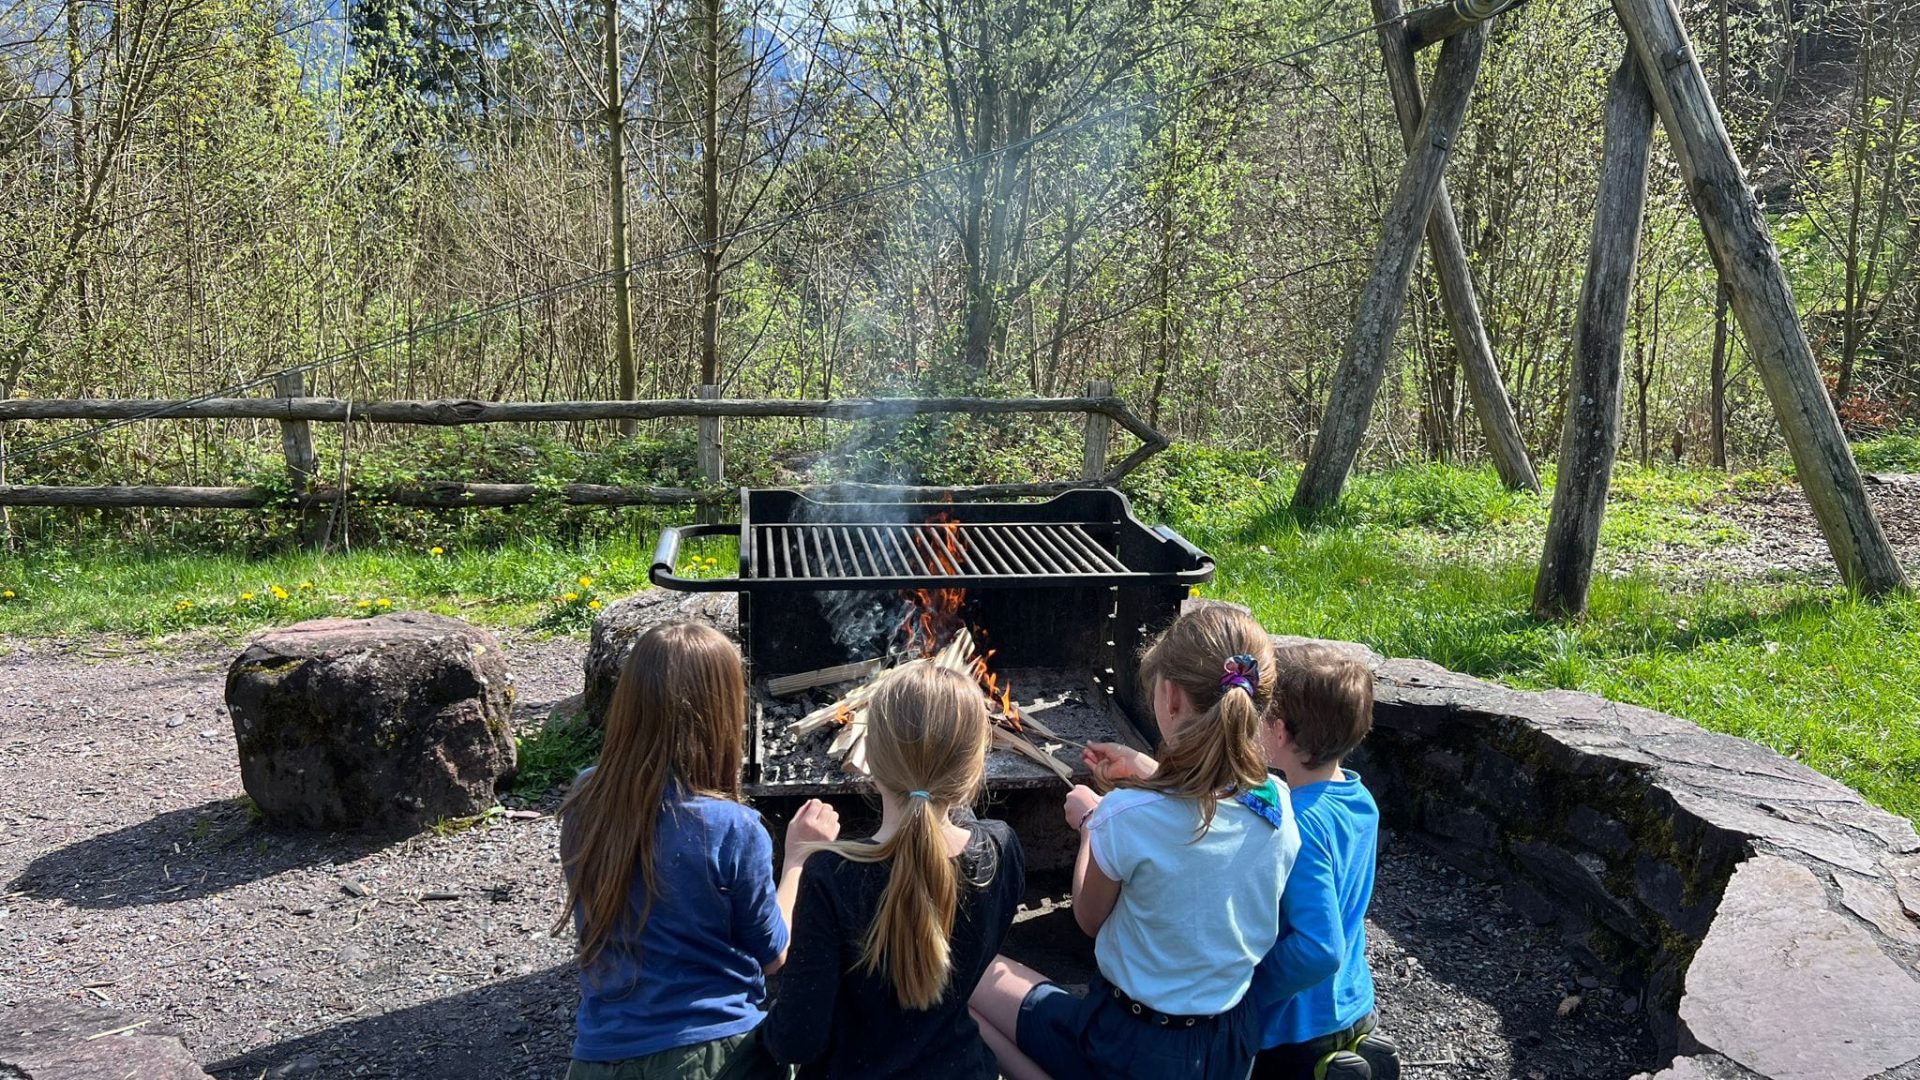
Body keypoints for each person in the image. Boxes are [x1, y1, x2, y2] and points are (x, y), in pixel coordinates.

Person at [969, 603, 1299, 1080]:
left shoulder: (1124, 819)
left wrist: (1091, 824)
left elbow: (1088, 917)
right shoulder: (1278, 805)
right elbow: (1205, 806)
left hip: (1127, 1042)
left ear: (1169, 697)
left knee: (970, 978)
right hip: (1227, 1042)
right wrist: (1146, 769)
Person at [554, 621, 832, 1080]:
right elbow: (775, 954)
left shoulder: (584, 798)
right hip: (713, 1055)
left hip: (596, 1058)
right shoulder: (733, 827)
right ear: (722, 712)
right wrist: (801, 857)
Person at [762, 663, 1026, 1080]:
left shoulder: (831, 874)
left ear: (871, 759)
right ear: (975, 767)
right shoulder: (1001, 849)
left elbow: (797, 1040)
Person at [1247, 643, 1397, 1080]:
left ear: (1277, 732)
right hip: (1352, 1003)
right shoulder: (1357, 796)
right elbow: (1250, 795)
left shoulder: (1301, 826)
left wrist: (1248, 991)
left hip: (1296, 1029)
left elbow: (1319, 948)